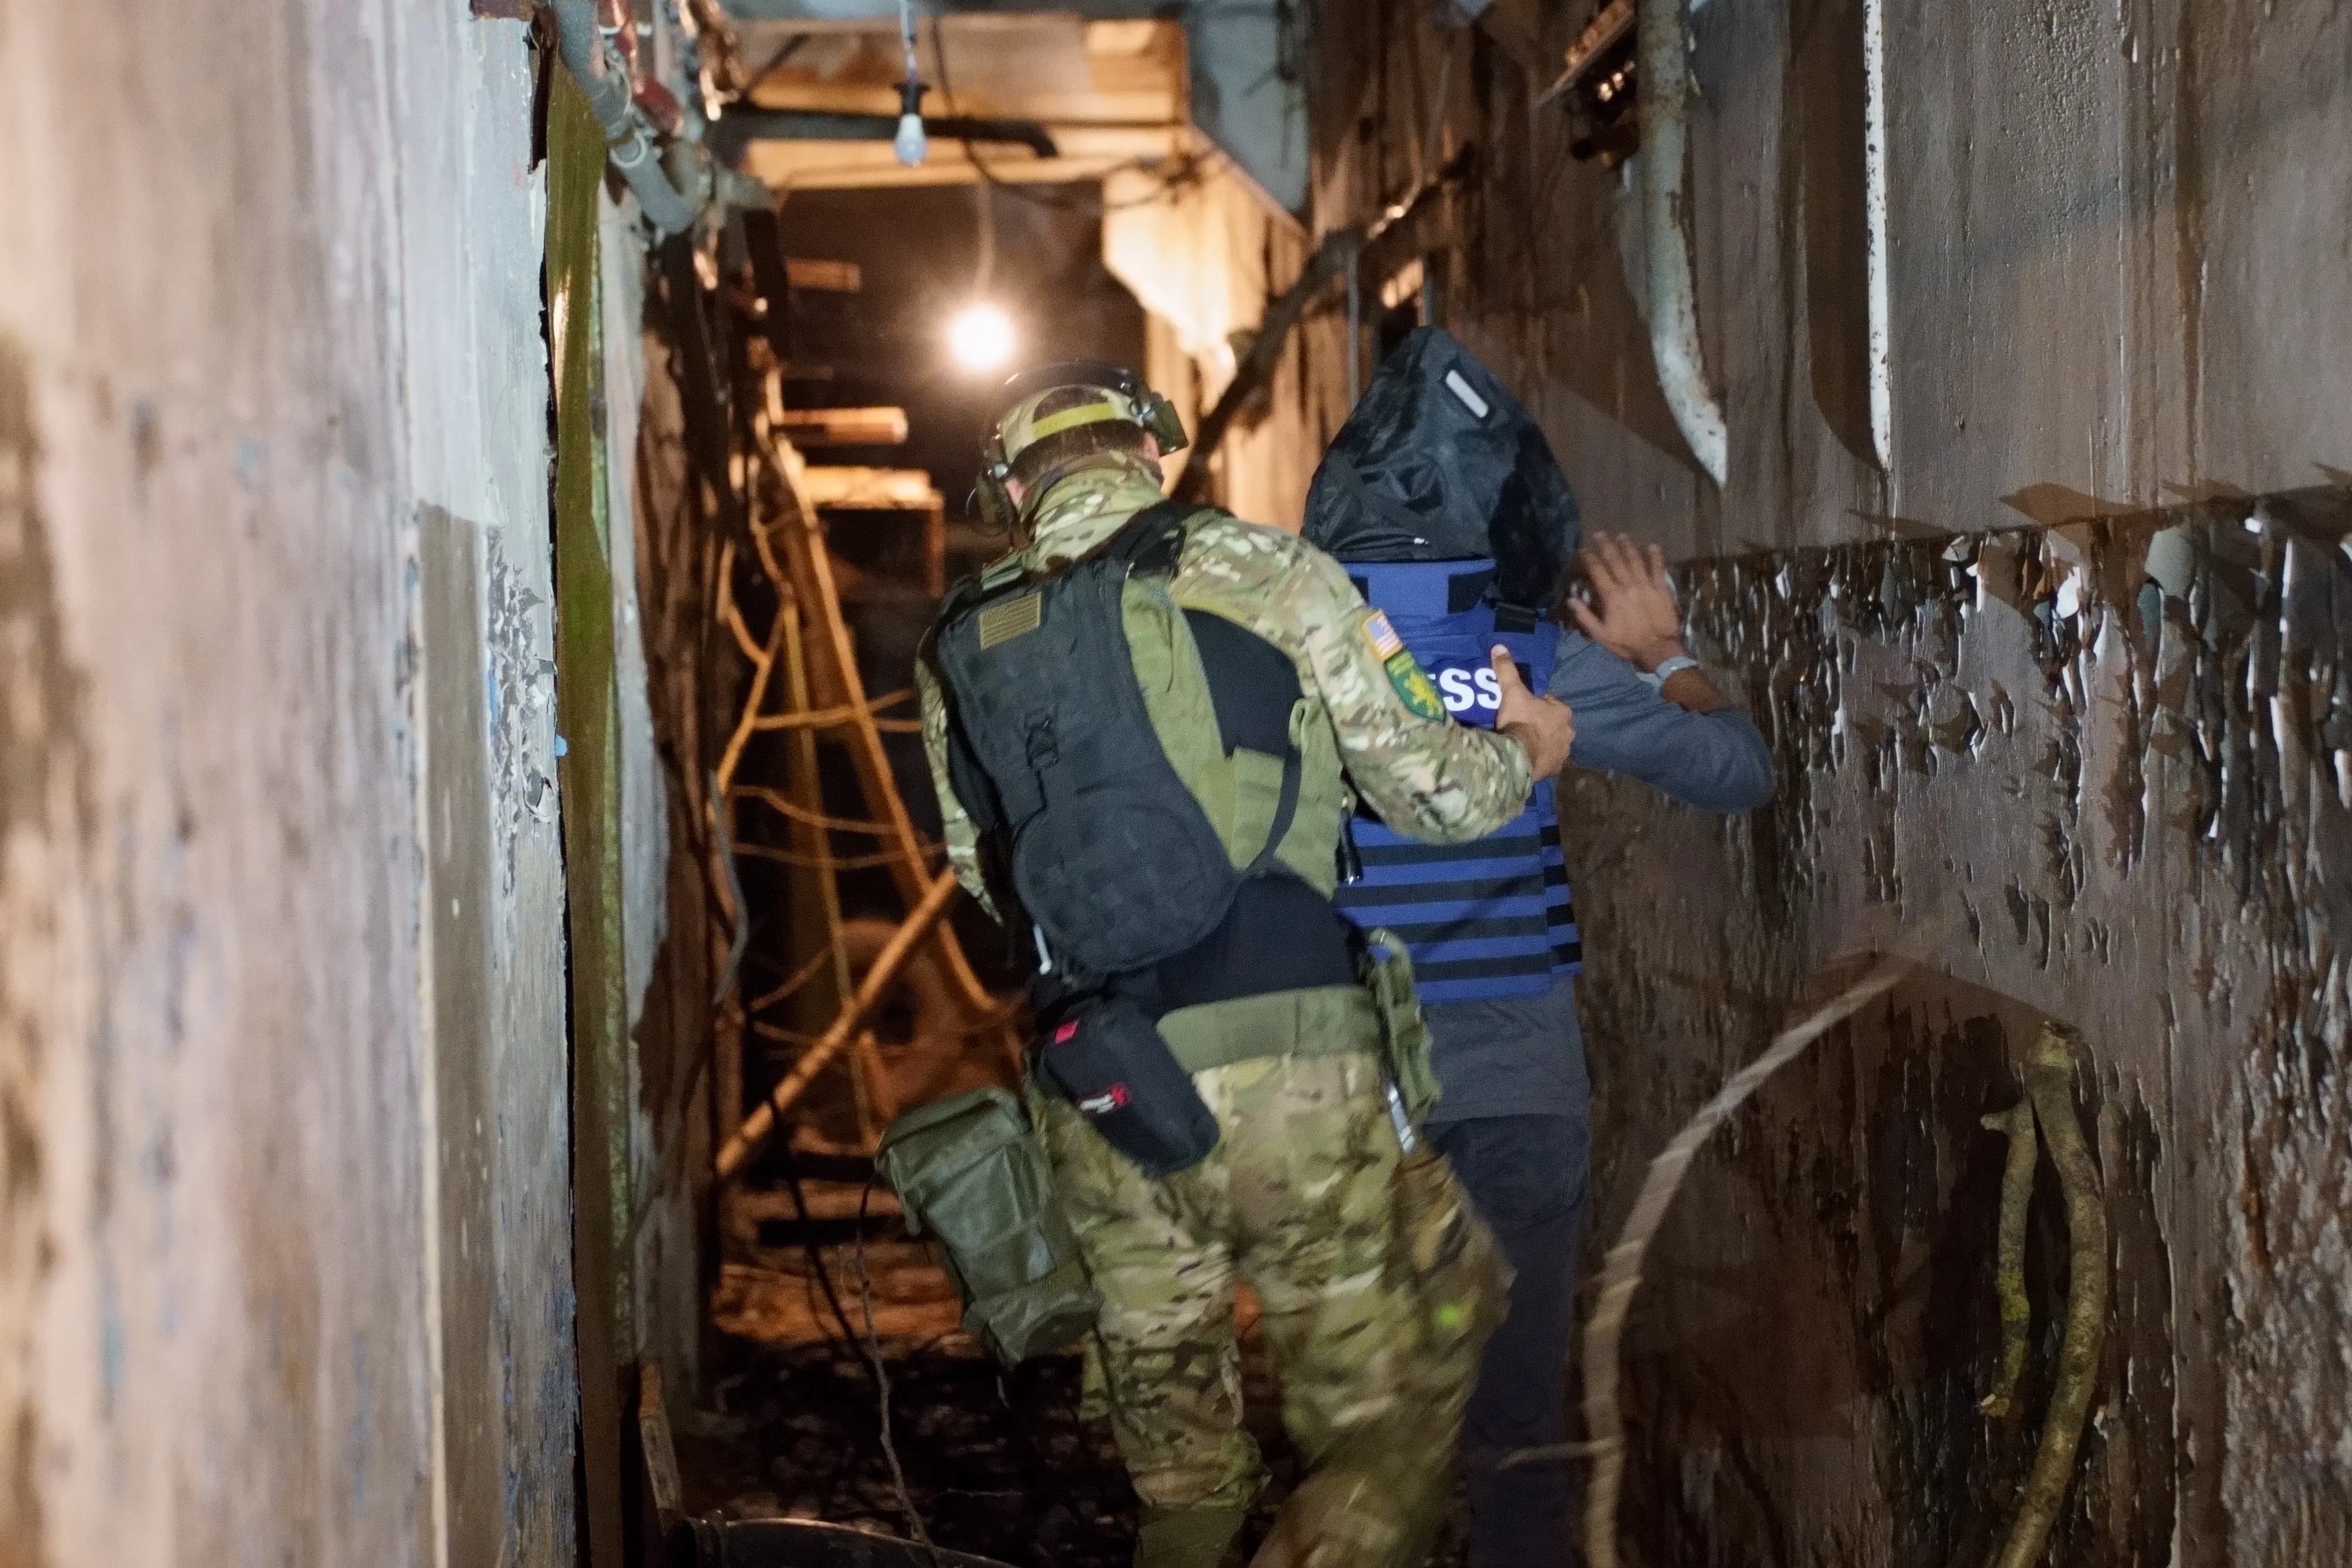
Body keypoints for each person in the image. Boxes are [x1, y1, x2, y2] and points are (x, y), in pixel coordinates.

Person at [915, 361, 1576, 1568]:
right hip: (1292, 1069)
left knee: (1181, 1482)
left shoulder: (961, 642)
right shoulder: (1267, 572)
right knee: (1390, 1427)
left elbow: (982, 876)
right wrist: (1530, 752)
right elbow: (1428, 793)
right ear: (1148, 448)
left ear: (1009, 485)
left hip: (1101, 1089)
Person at [1425, 531, 1775, 1568]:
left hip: (1338, 1097)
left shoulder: (1264, 638)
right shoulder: (1519, 649)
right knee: (1516, 1428)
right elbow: (1736, 773)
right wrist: (1662, 653)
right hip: (1514, 1094)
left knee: (1359, 1432)